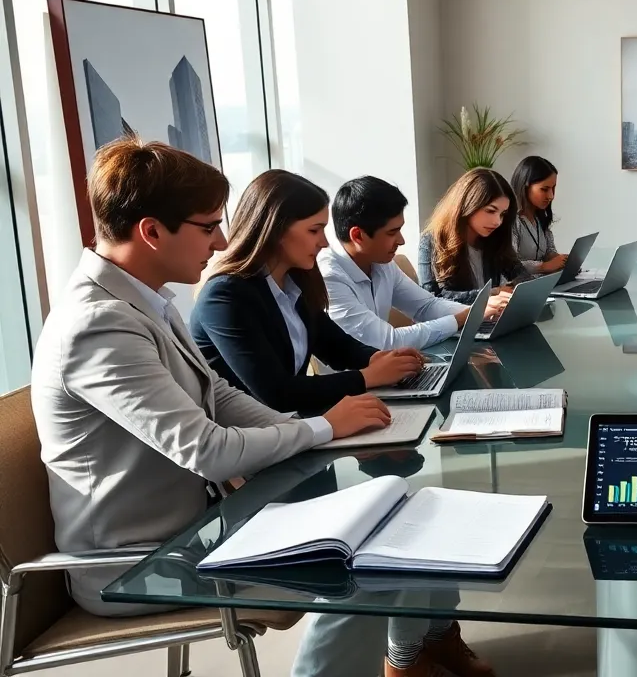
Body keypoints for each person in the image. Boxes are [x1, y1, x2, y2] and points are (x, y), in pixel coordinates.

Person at [29, 139, 390, 617]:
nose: (220, 242)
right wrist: (322, 429)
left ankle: (418, 651)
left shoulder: (144, 299)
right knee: (367, 566)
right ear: (152, 231)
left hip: (196, 530)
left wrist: (307, 436)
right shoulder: (97, 325)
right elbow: (207, 451)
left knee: (380, 525)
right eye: (208, 227)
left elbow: (213, 392)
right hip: (139, 566)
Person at [192, 171, 424, 417]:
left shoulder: (294, 281)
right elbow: (277, 393)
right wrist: (367, 377)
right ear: (276, 229)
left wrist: (380, 359)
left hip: (292, 428)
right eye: (315, 230)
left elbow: (338, 346)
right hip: (250, 440)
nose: (324, 242)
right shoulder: (225, 297)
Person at [320, 176, 508, 350]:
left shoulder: (382, 264)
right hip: (355, 383)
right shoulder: (329, 278)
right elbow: (387, 342)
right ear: (358, 235)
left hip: (389, 370)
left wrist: (482, 311)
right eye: (392, 232)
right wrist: (463, 318)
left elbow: (425, 306)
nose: (401, 241)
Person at [419, 168, 528, 304]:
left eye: (502, 214)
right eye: (490, 211)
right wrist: (490, 294)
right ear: (468, 204)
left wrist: (511, 289)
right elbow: (432, 298)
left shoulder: (493, 238)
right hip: (457, 323)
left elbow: (522, 275)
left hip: (489, 321)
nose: (497, 222)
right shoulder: (431, 240)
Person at [510, 155, 569, 274]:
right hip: (519, 288)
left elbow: (548, 251)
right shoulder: (510, 220)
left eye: (553, 188)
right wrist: (544, 266)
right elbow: (510, 264)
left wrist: (561, 260)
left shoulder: (540, 217)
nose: (551, 196)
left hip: (542, 283)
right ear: (526, 186)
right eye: (544, 189)